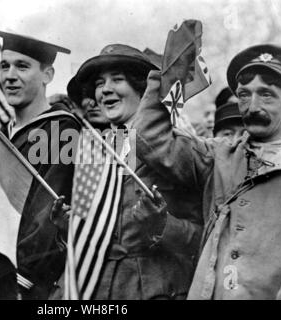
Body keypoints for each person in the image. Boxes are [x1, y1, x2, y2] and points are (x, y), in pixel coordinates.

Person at [134, 44, 281, 300]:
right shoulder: (219, 155)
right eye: (244, 94)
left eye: (266, 94)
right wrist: (166, 80)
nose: (252, 106)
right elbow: (150, 140)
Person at [53, 44, 203, 300]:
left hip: (153, 290)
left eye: (117, 80)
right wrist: (72, 227)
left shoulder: (175, 146)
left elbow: (204, 237)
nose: (105, 90)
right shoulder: (94, 149)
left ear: (142, 89)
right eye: (99, 84)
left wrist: (163, 226)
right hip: (94, 290)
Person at [0, 30, 81, 299]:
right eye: (4, 66)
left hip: (27, 282)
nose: (10, 76)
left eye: (22, 66)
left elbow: (45, 217)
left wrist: (23, 278)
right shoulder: (1, 131)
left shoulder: (61, 129)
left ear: (47, 75)